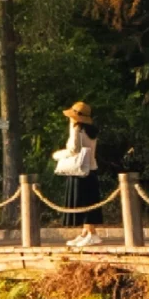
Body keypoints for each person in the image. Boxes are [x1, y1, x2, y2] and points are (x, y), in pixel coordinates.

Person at [53, 101, 102, 249]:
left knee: (83, 202)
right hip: (91, 169)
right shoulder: (92, 131)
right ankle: (86, 232)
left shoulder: (77, 130)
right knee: (89, 201)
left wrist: (58, 155)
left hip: (79, 170)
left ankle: (92, 233)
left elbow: (74, 149)